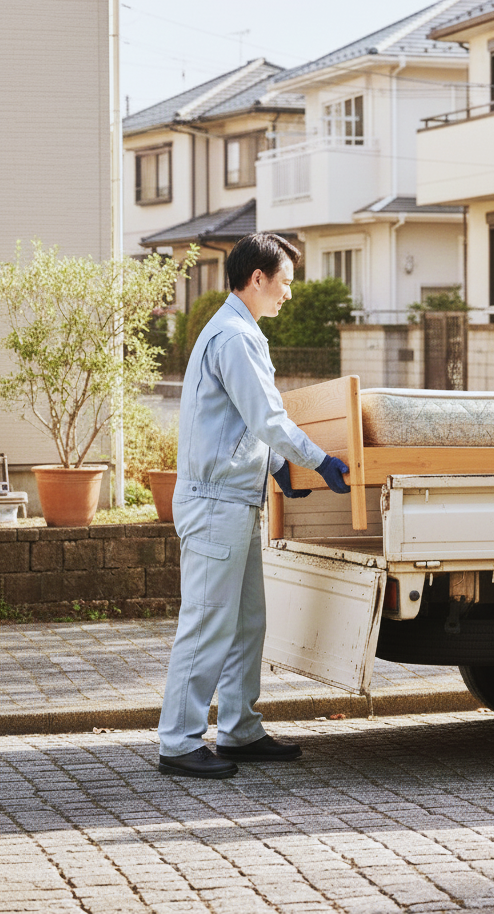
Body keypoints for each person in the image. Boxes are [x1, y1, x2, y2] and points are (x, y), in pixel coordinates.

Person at [157, 233, 351, 780]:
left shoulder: (239, 331)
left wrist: (279, 466)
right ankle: (178, 742)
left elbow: (243, 421)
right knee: (206, 624)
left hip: (232, 500)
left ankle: (239, 729)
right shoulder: (235, 337)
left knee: (245, 624)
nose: (289, 293)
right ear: (257, 278)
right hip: (215, 504)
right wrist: (317, 460)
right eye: (285, 282)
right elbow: (267, 417)